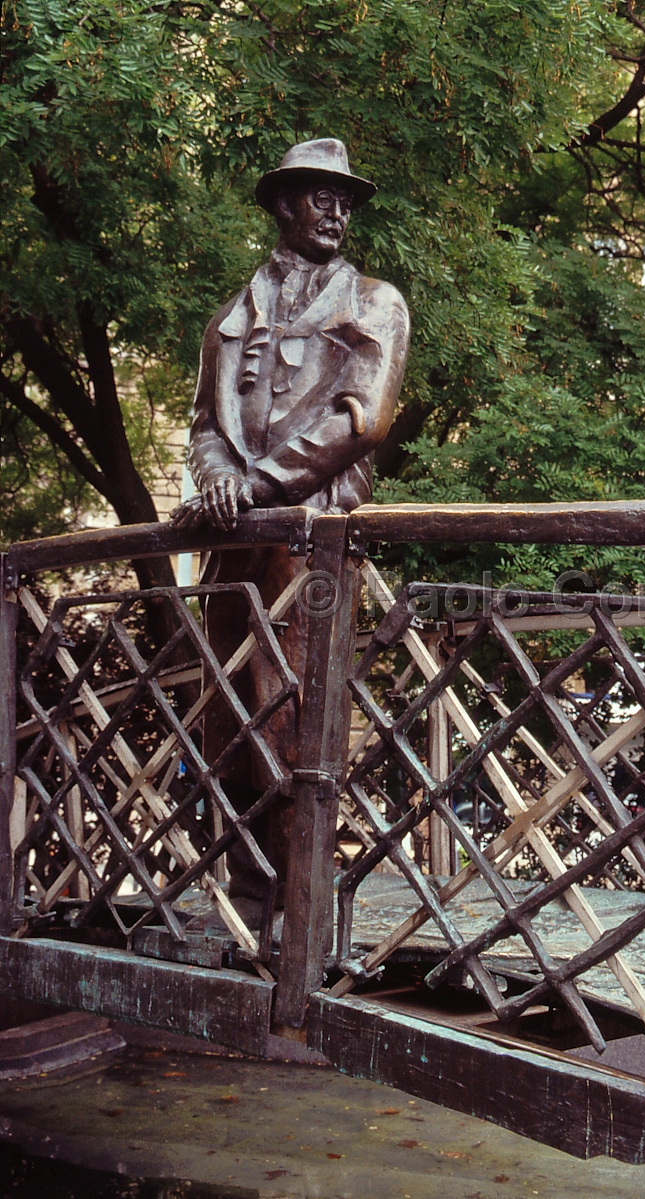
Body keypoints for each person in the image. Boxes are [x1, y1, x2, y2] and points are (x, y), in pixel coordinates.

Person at [172, 138, 409, 914]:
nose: (337, 211)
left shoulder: (374, 302)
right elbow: (206, 424)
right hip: (234, 544)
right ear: (283, 204)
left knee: (299, 722)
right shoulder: (227, 319)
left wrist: (258, 485)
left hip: (310, 540)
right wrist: (216, 481)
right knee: (228, 725)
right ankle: (246, 917)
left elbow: (360, 417)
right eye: (319, 196)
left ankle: (304, 916)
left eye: (345, 200)